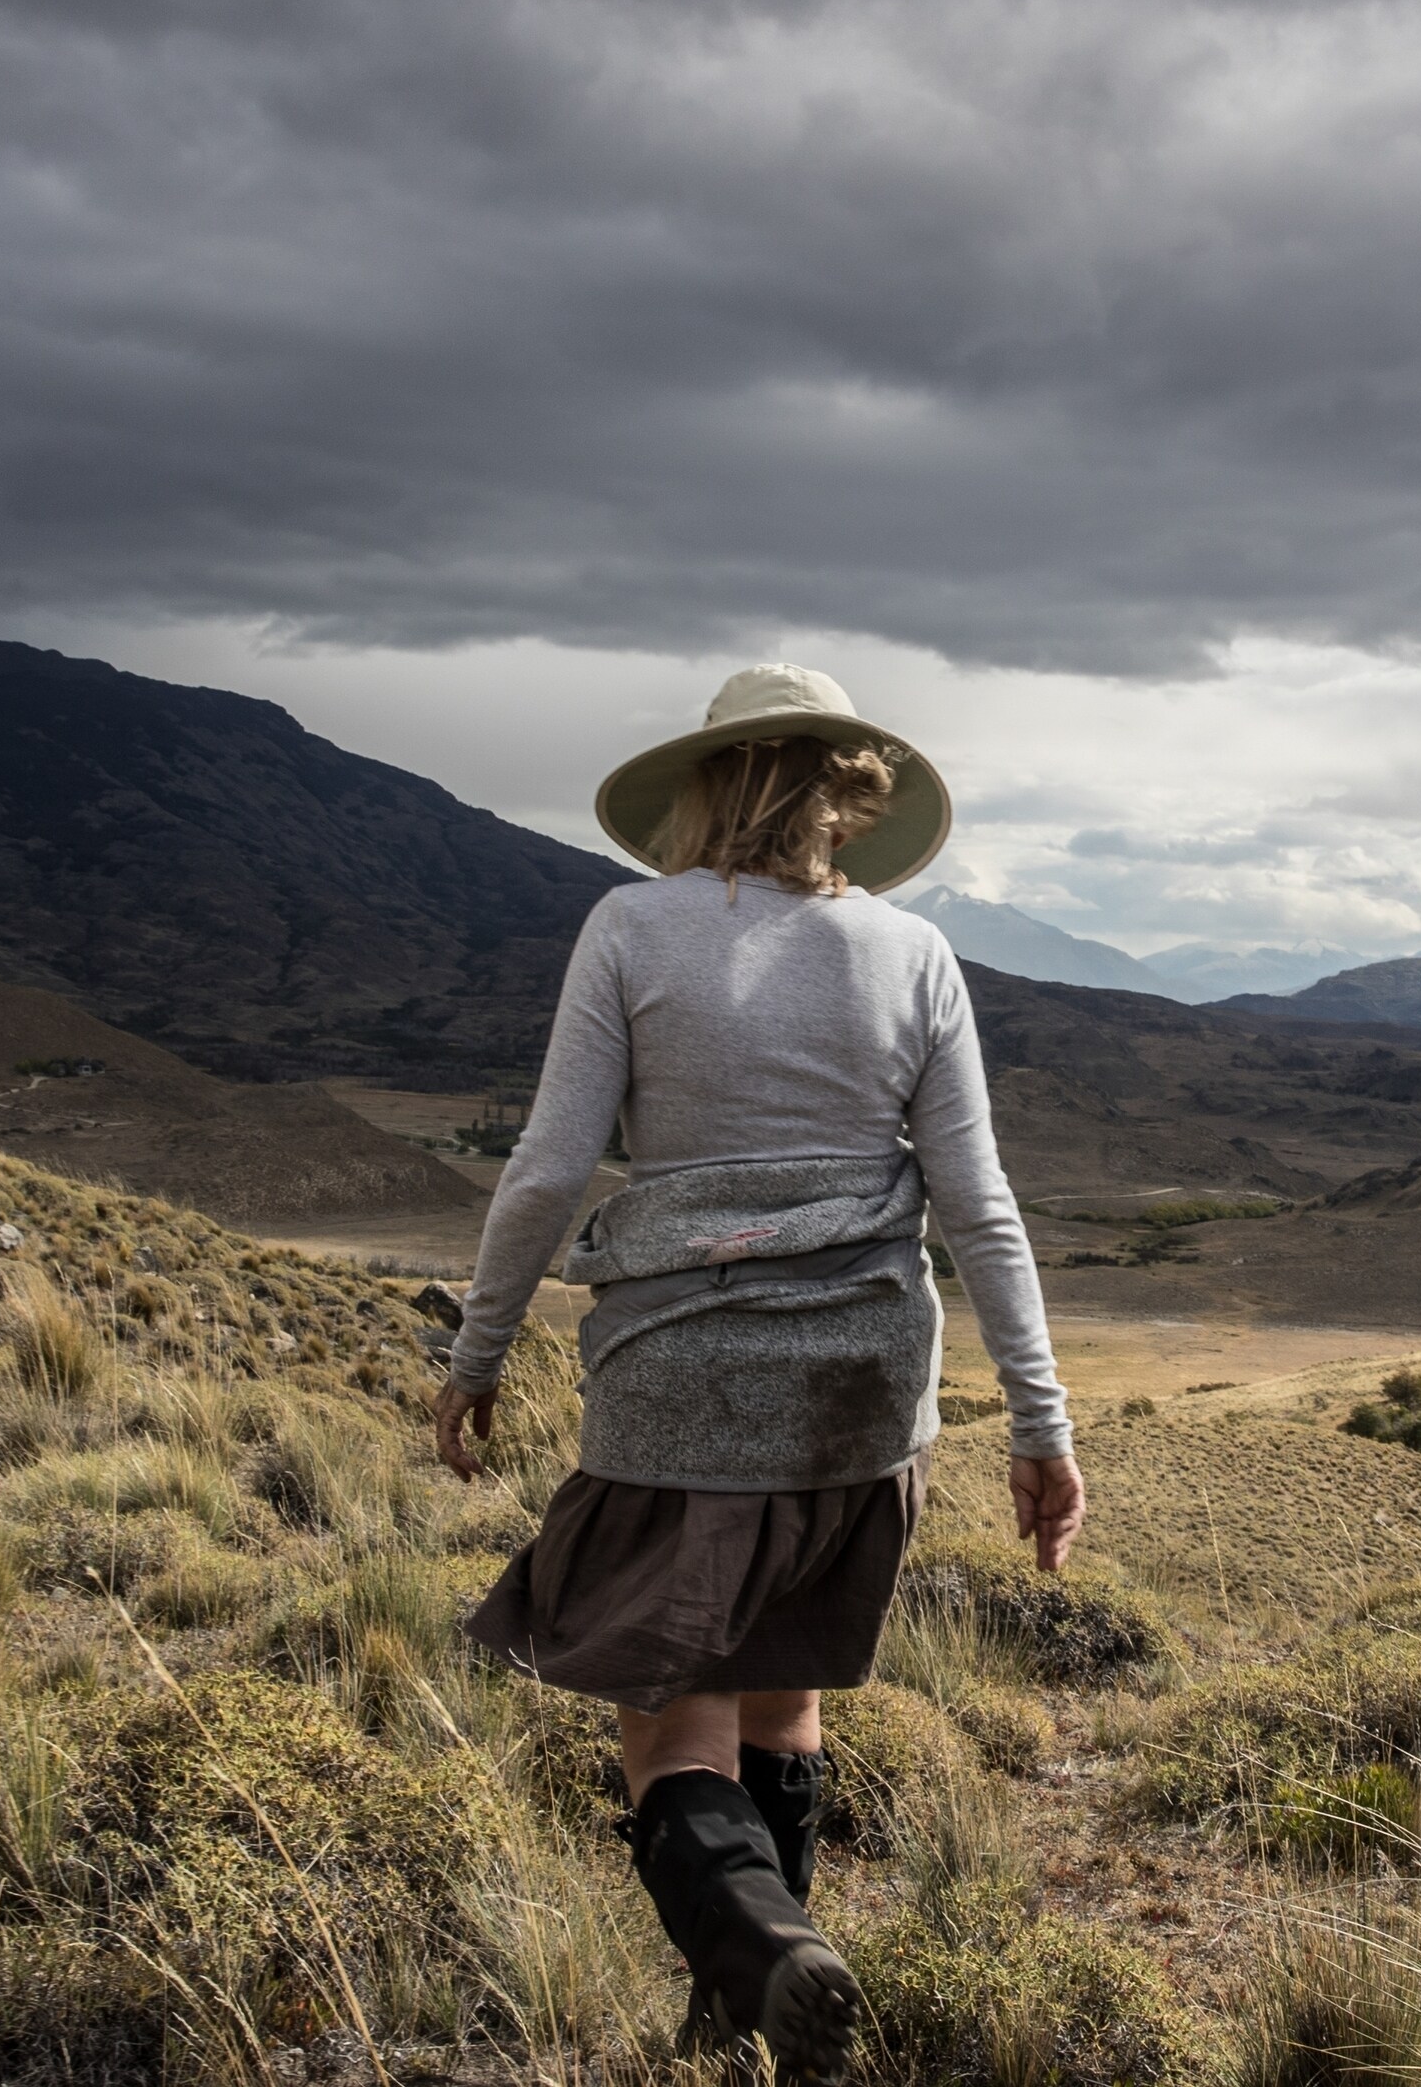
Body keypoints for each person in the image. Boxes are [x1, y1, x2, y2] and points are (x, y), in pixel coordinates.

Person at [429, 662, 1082, 2084]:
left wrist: (478, 1350)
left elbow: (547, 1169)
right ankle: (746, 2022)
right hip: (866, 1406)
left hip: (682, 1388)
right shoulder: (914, 957)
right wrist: (1042, 1422)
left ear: (706, 782)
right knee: (786, 1699)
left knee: (670, 1732)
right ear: (846, 798)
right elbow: (978, 1208)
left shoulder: (630, 930)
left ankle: (763, 1955)